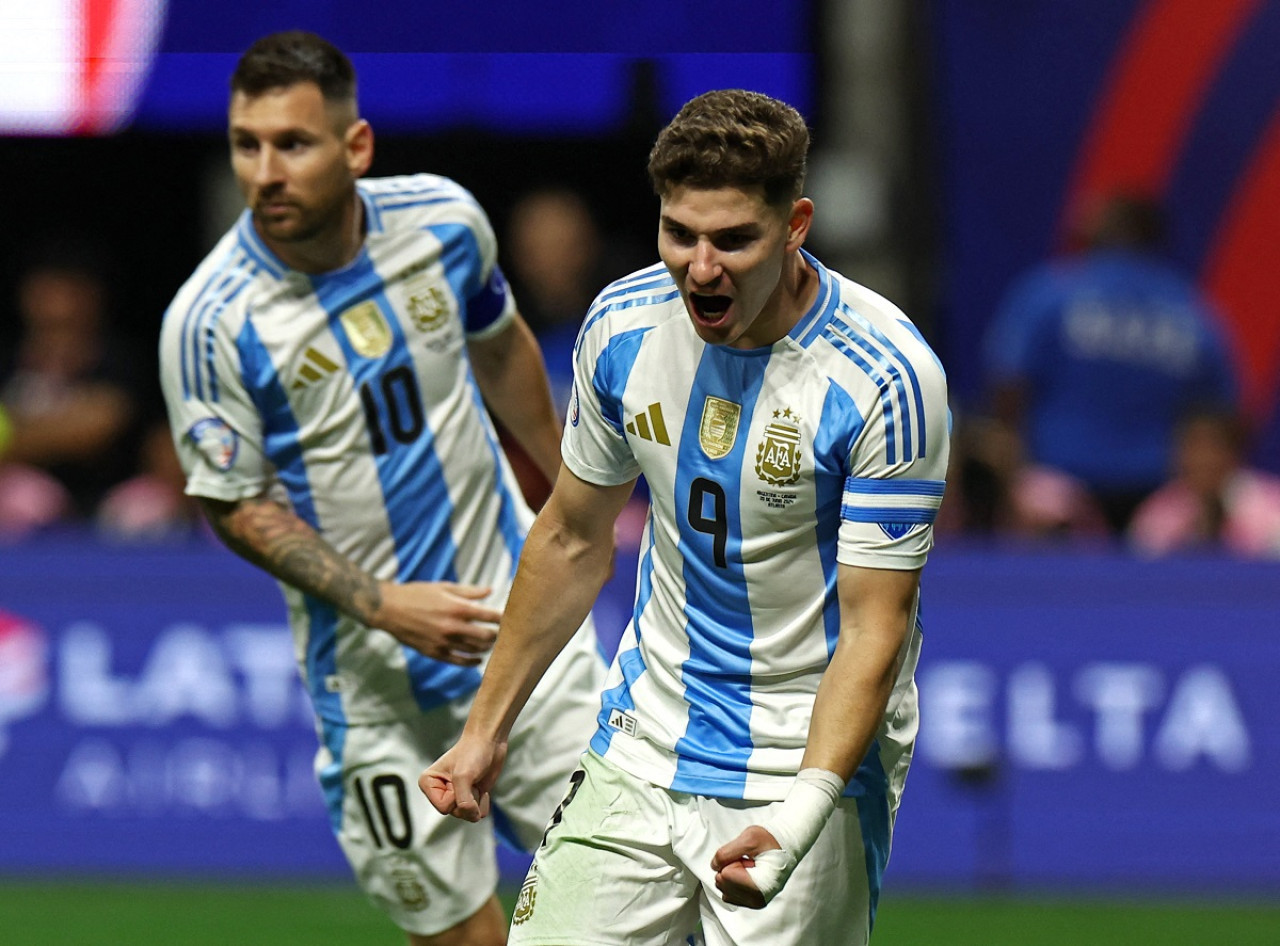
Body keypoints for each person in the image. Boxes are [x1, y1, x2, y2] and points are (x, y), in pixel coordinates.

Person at [422, 89, 951, 945]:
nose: (701, 267)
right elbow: (569, 536)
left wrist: (801, 813)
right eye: (681, 234)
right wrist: (486, 730)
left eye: (733, 240)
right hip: (645, 737)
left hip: (801, 760)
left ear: (796, 224)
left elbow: (874, 628)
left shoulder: (886, 378)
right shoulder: (625, 329)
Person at [157, 31, 604, 946]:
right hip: (372, 690)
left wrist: (571, 490)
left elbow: (500, 343)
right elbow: (232, 503)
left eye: (294, 143)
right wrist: (382, 603)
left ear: (356, 147)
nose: (266, 171)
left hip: (526, 645)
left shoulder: (442, 224)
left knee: (619, 910)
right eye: (248, 144)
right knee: (460, 938)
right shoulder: (209, 322)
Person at [981, 193, 1238, 535]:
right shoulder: (1193, 312)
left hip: (1058, 498)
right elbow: (1221, 413)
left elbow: (1008, 388)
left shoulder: (1050, 293)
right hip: (1158, 498)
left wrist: (1012, 473)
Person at [0, 242, 143, 534]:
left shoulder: (118, 362)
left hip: (109, 499)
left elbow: (96, 428)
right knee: (24, 498)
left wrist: (15, 436)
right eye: (48, 291)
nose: (59, 307)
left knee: (145, 510)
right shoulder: (8, 362)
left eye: (71, 292)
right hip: (26, 504)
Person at [1128, 407, 1280, 558]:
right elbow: (1144, 569)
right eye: (1193, 446)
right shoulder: (1159, 510)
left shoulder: (1273, 505)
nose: (1203, 458)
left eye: (1214, 446)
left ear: (1235, 452)